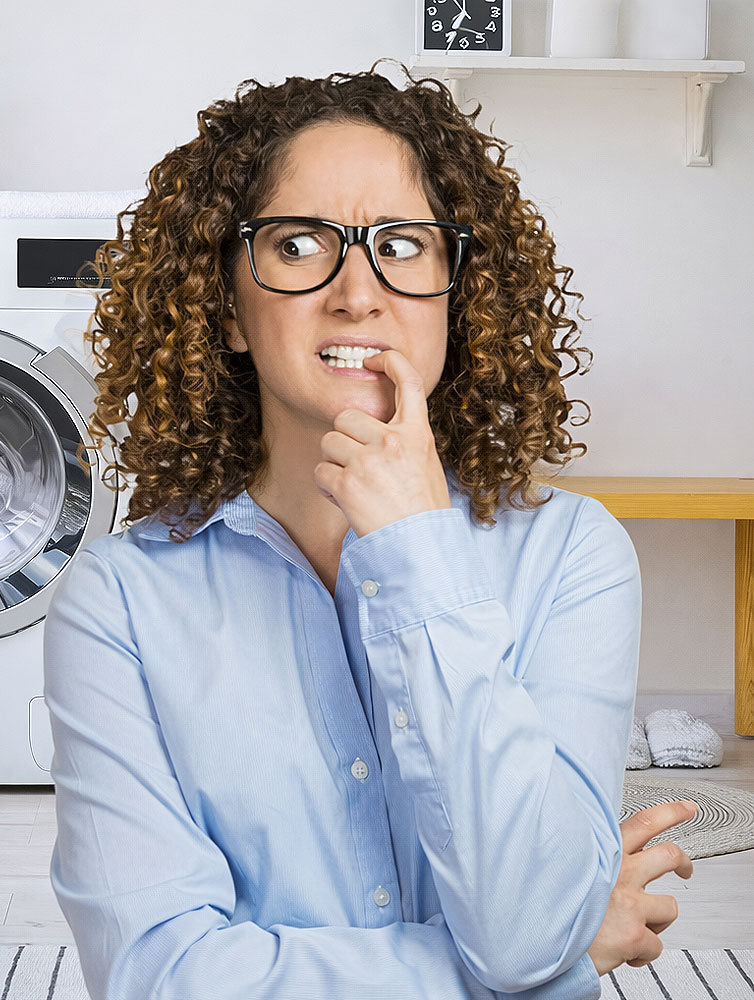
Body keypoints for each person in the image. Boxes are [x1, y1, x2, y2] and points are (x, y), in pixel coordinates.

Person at [43, 60, 697, 1000]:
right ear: (227, 308)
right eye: (300, 244)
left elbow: (527, 930)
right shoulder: (117, 602)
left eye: (401, 244)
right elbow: (159, 976)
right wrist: (533, 969)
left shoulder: (573, 556)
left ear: (457, 294)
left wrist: (420, 548)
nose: (359, 292)